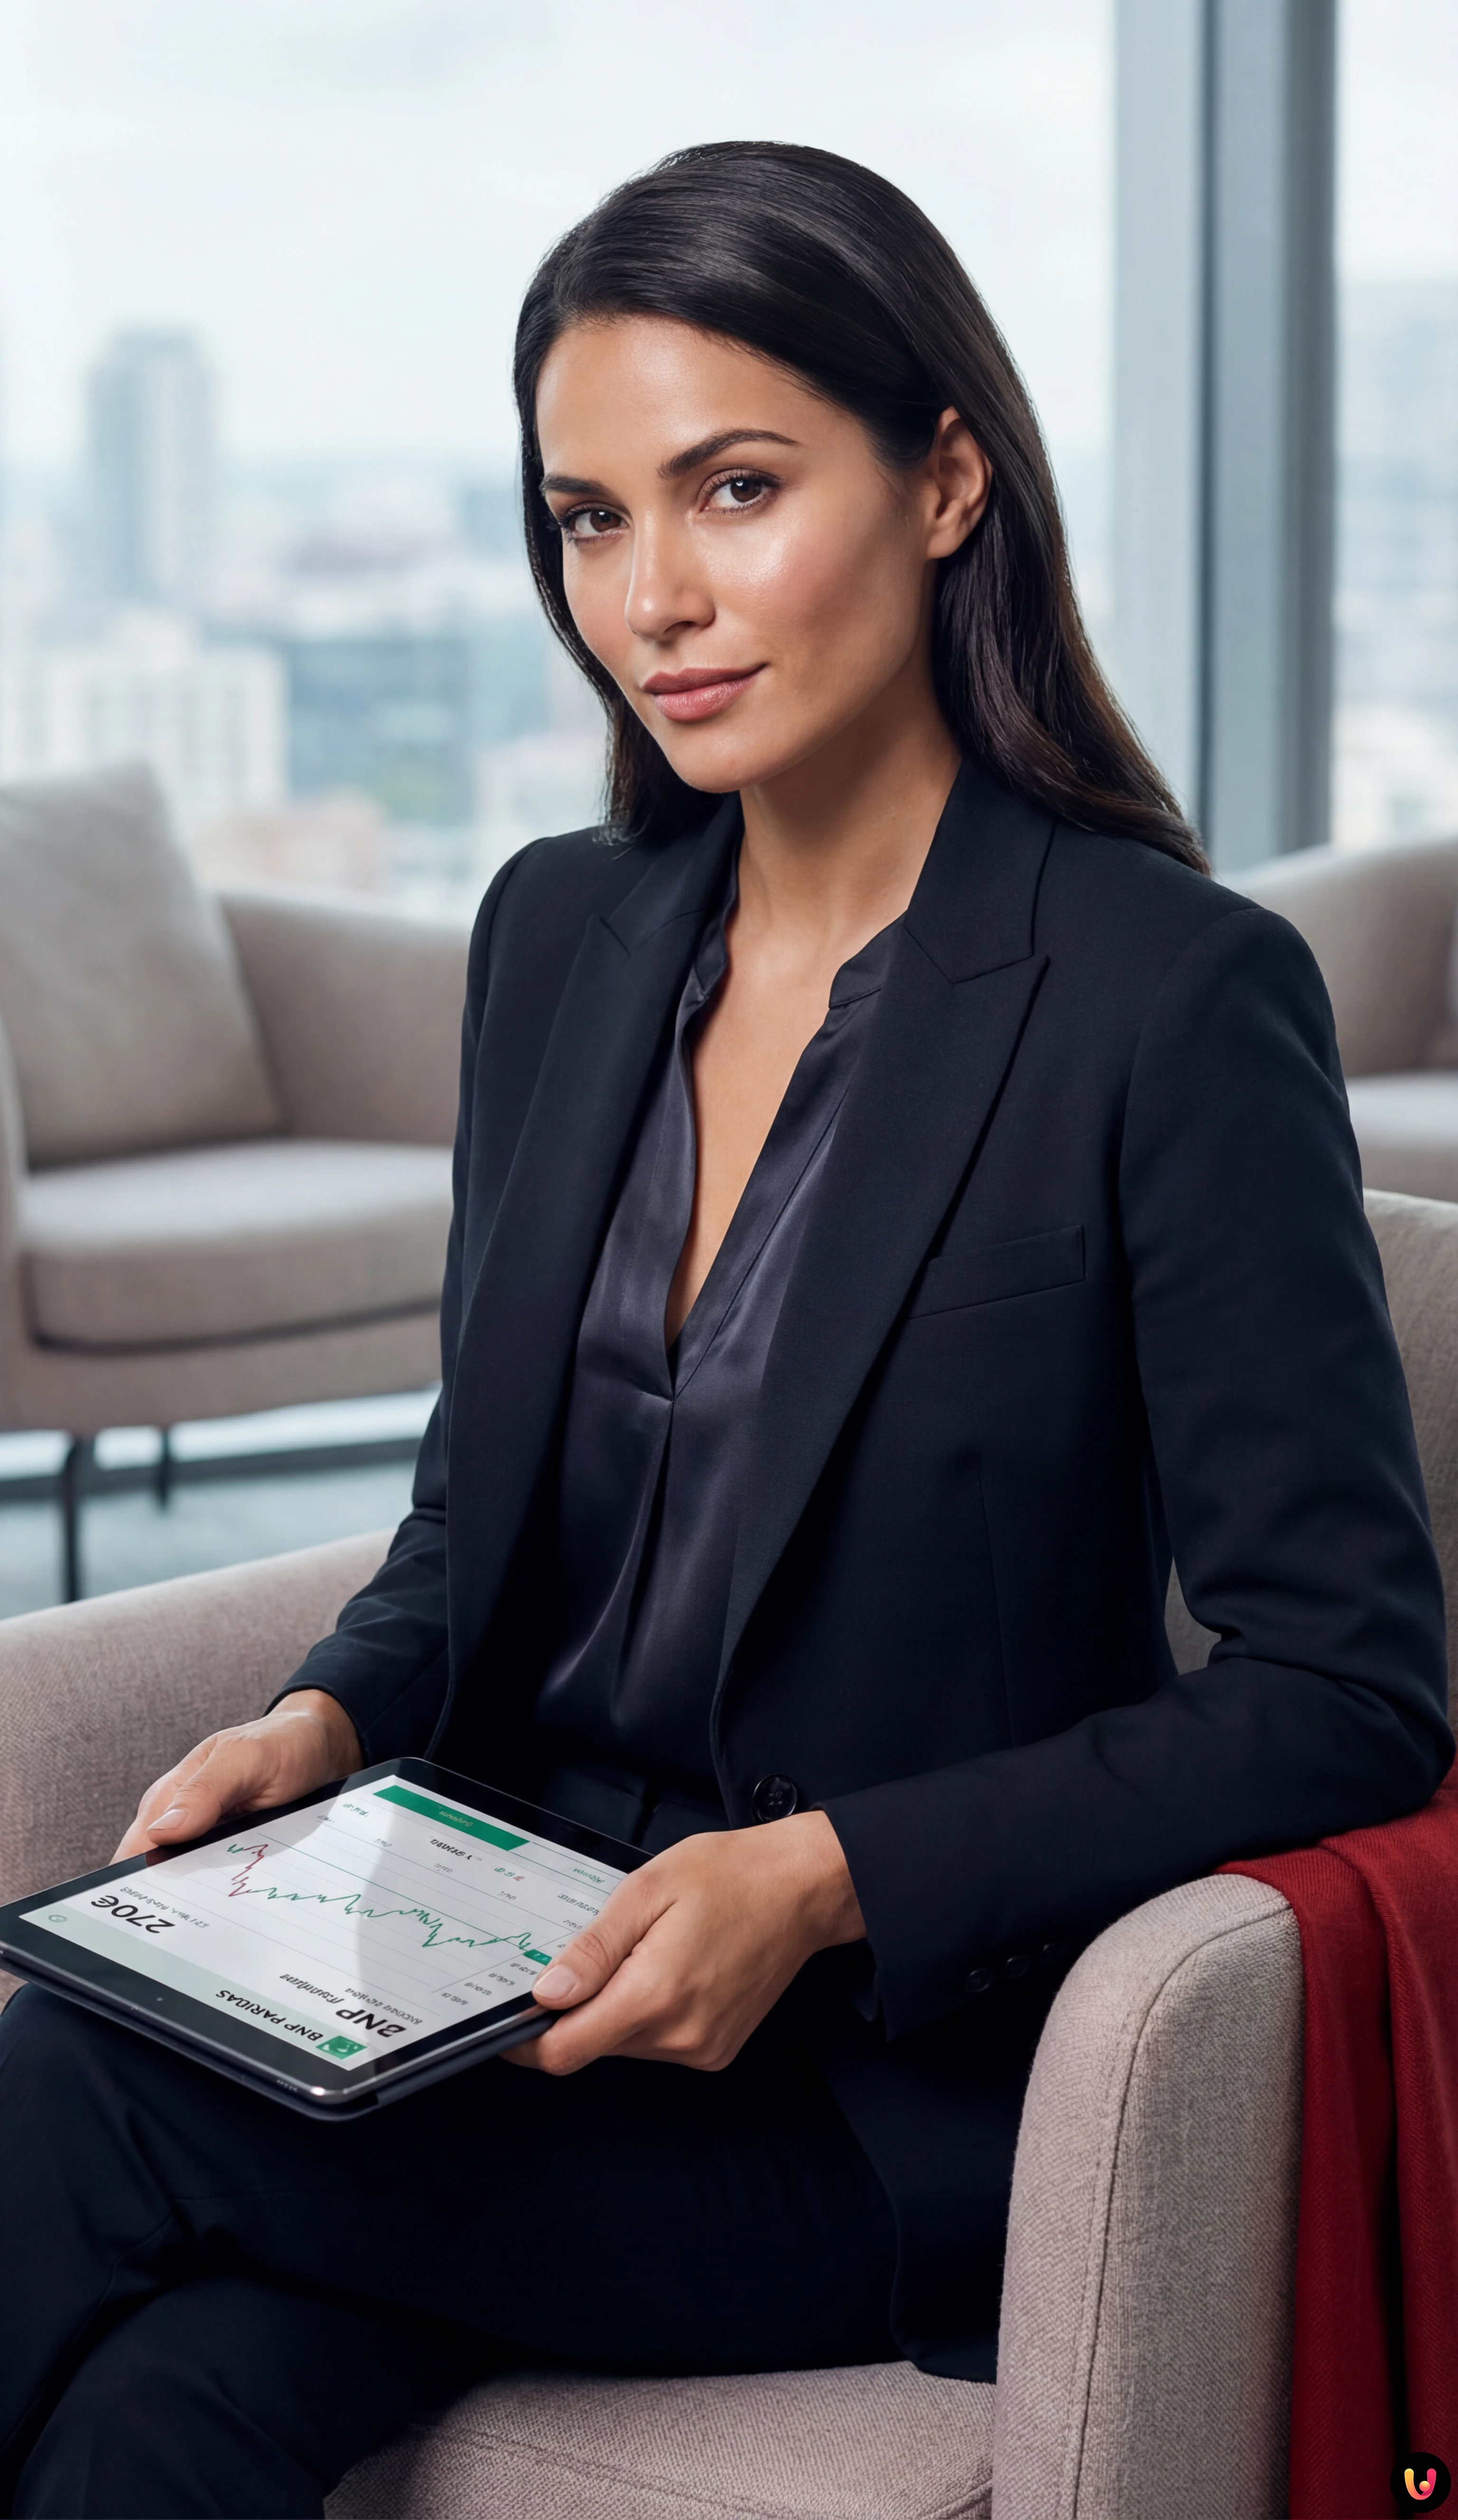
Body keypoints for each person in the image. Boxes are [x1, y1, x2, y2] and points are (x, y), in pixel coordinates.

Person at [0, 141, 1449, 2520]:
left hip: (860, 2089)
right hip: (488, 1990)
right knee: (170, 2414)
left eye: (736, 488)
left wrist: (829, 1874)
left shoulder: (1168, 1000)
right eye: (586, 518)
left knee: (84, 2074)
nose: (651, 595)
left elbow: (1346, 1681)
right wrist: (325, 1707)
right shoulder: (558, 937)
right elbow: (476, 1513)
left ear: (949, 476)